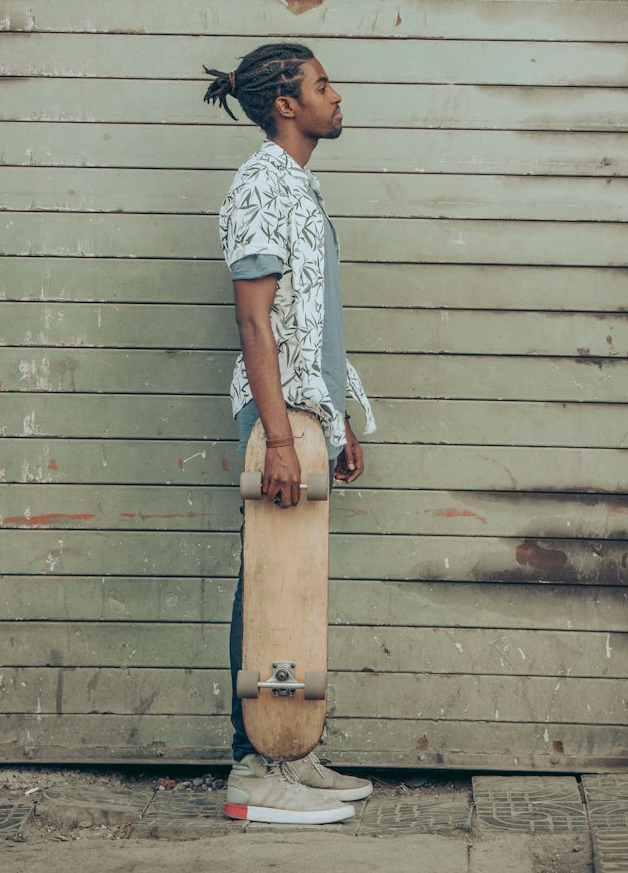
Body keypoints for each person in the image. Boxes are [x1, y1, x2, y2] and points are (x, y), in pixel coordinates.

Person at [203, 41, 376, 825]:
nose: (336, 96)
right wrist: (277, 439)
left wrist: (336, 421)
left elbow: (312, 321)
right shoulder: (259, 185)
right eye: (322, 85)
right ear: (286, 105)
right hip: (276, 421)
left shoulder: (298, 186)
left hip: (303, 418)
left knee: (291, 587)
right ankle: (253, 770)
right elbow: (254, 318)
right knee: (267, 580)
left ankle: (291, 753)